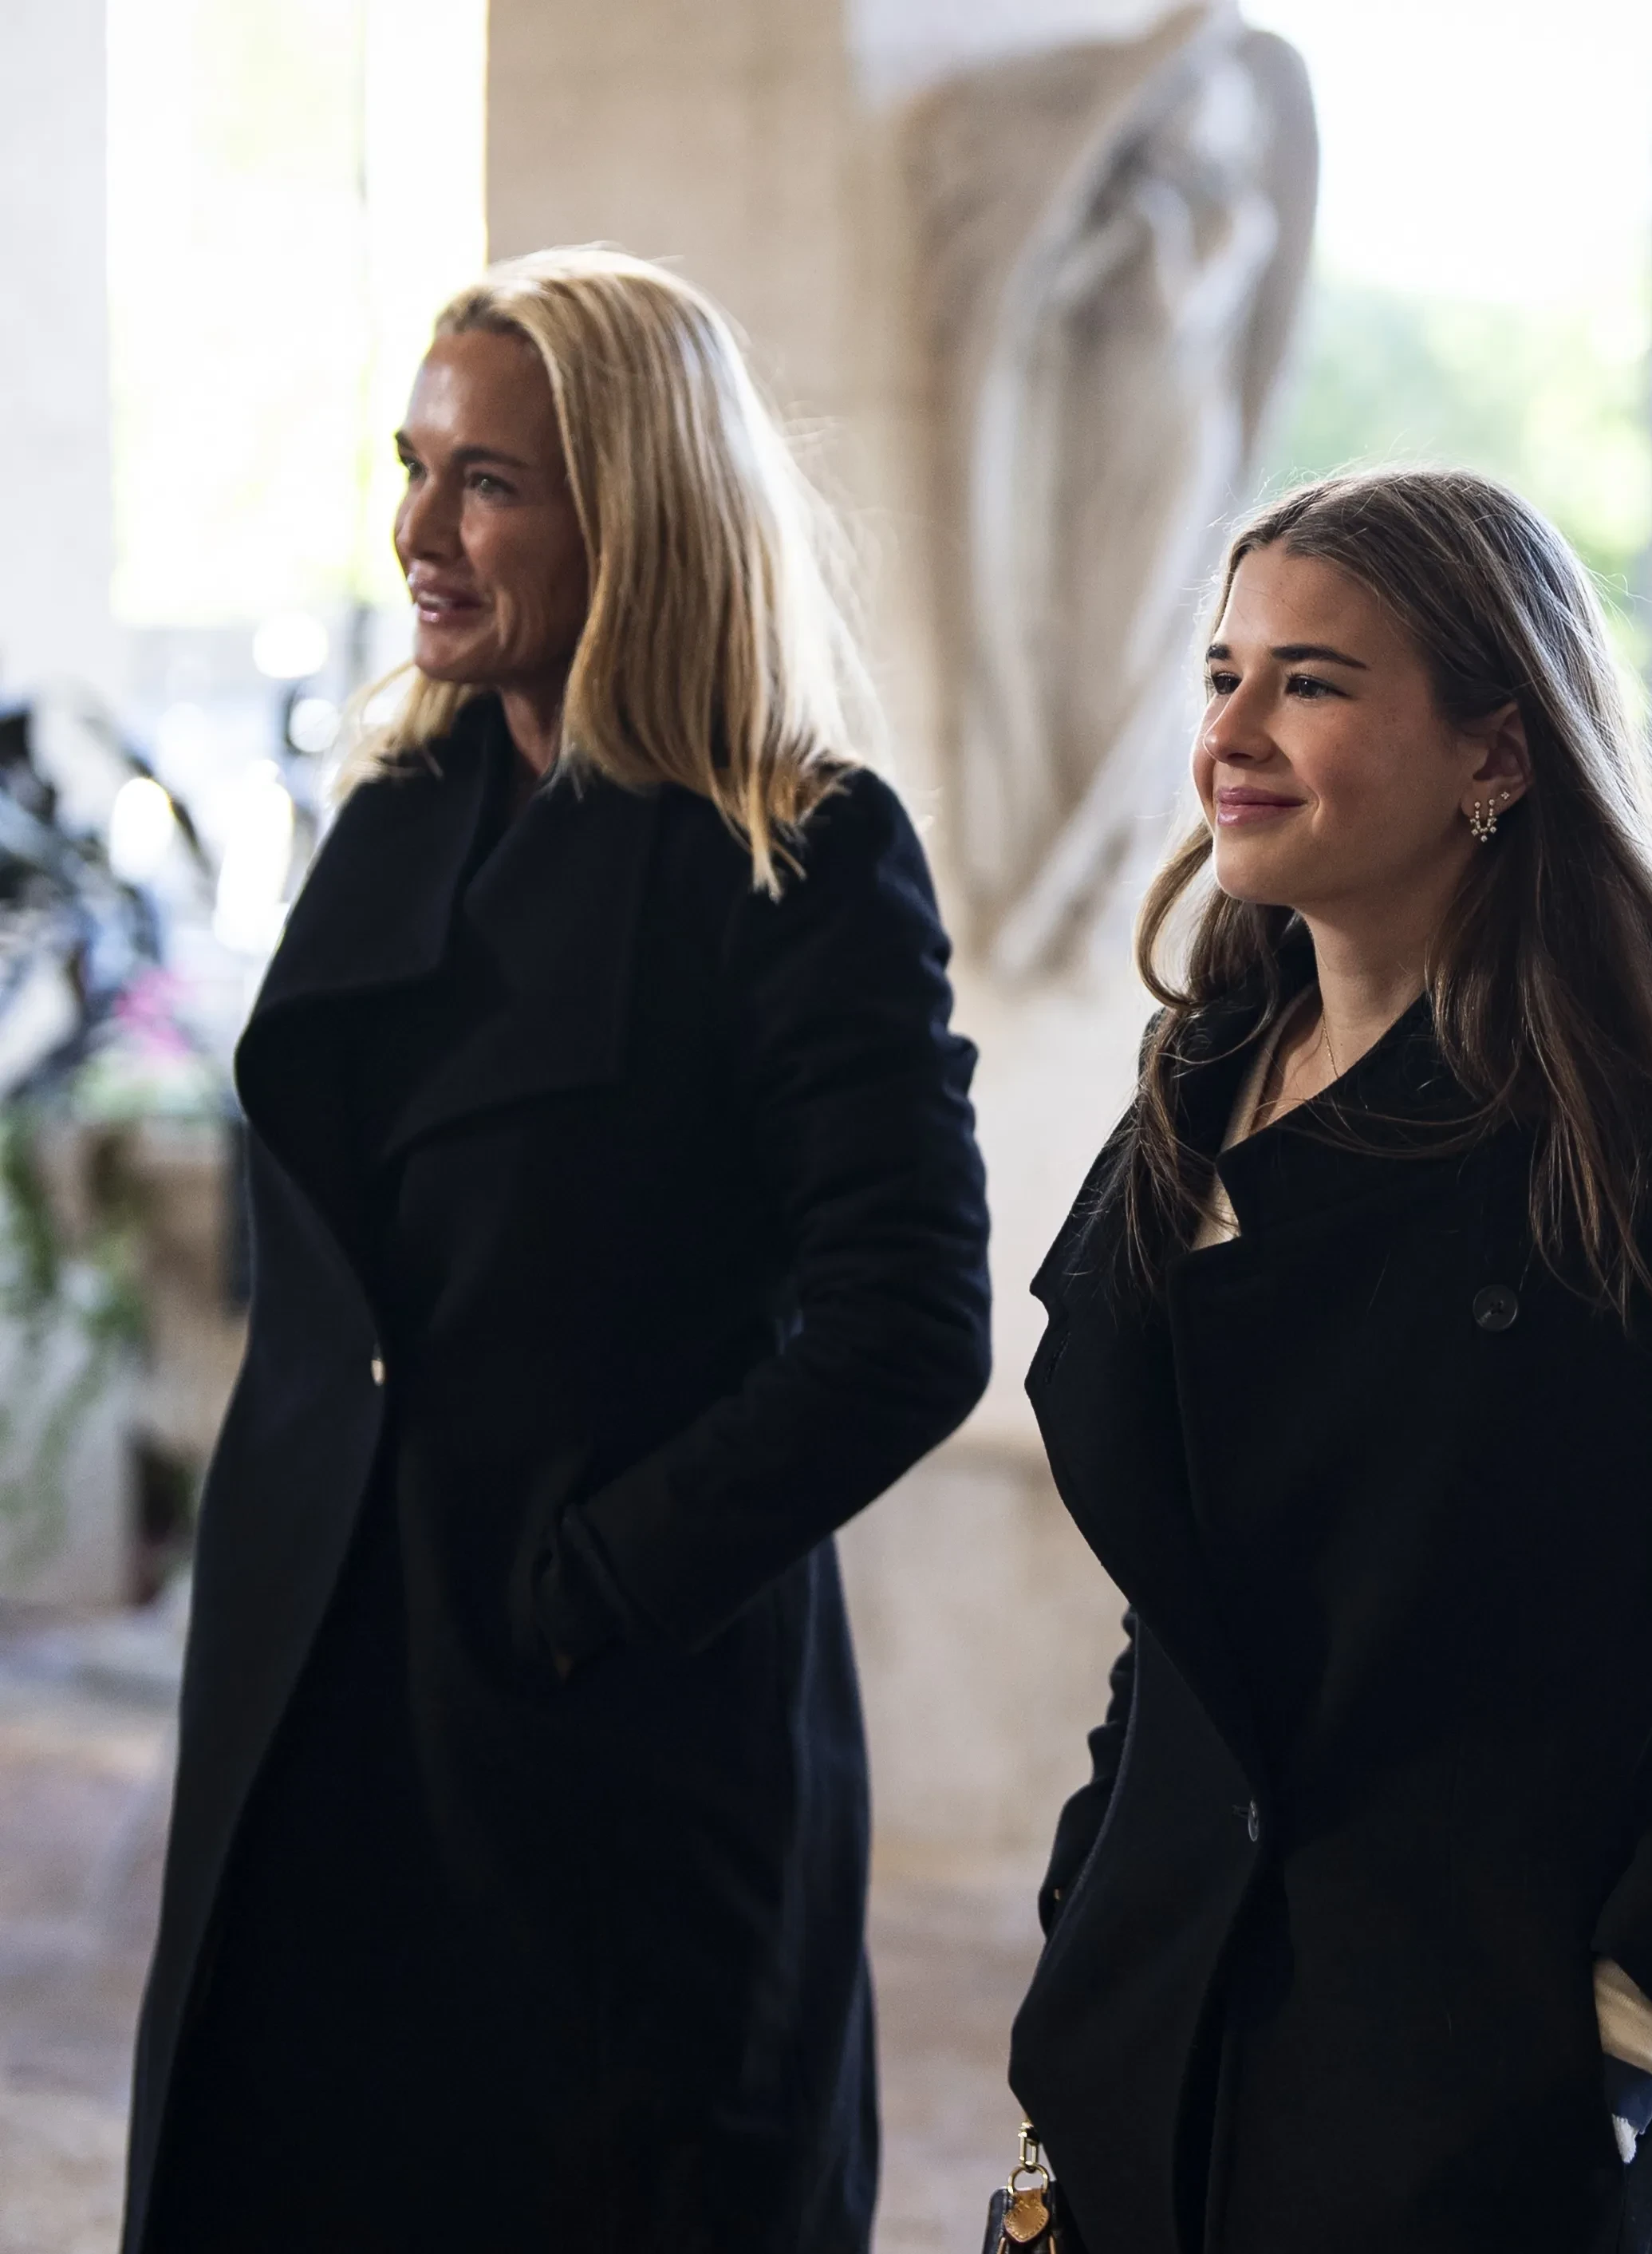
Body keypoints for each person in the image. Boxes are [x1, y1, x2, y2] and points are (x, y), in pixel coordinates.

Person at [126, 247, 991, 2254]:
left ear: (641, 511)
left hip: (606, 1723)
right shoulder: (399, 803)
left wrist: (599, 1582)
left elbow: (910, 1318)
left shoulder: (799, 847)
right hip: (323, 1684)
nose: (421, 532)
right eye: (413, 468)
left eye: (489, 482)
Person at [1009, 468, 1652, 2253]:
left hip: (1476, 2095)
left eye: (1310, 681)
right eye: (1222, 673)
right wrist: (1090, 1914)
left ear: (1497, 752)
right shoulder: (1193, 1085)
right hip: (1146, 2044)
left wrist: (1636, 2013)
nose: (1232, 731)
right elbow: (1189, 1612)